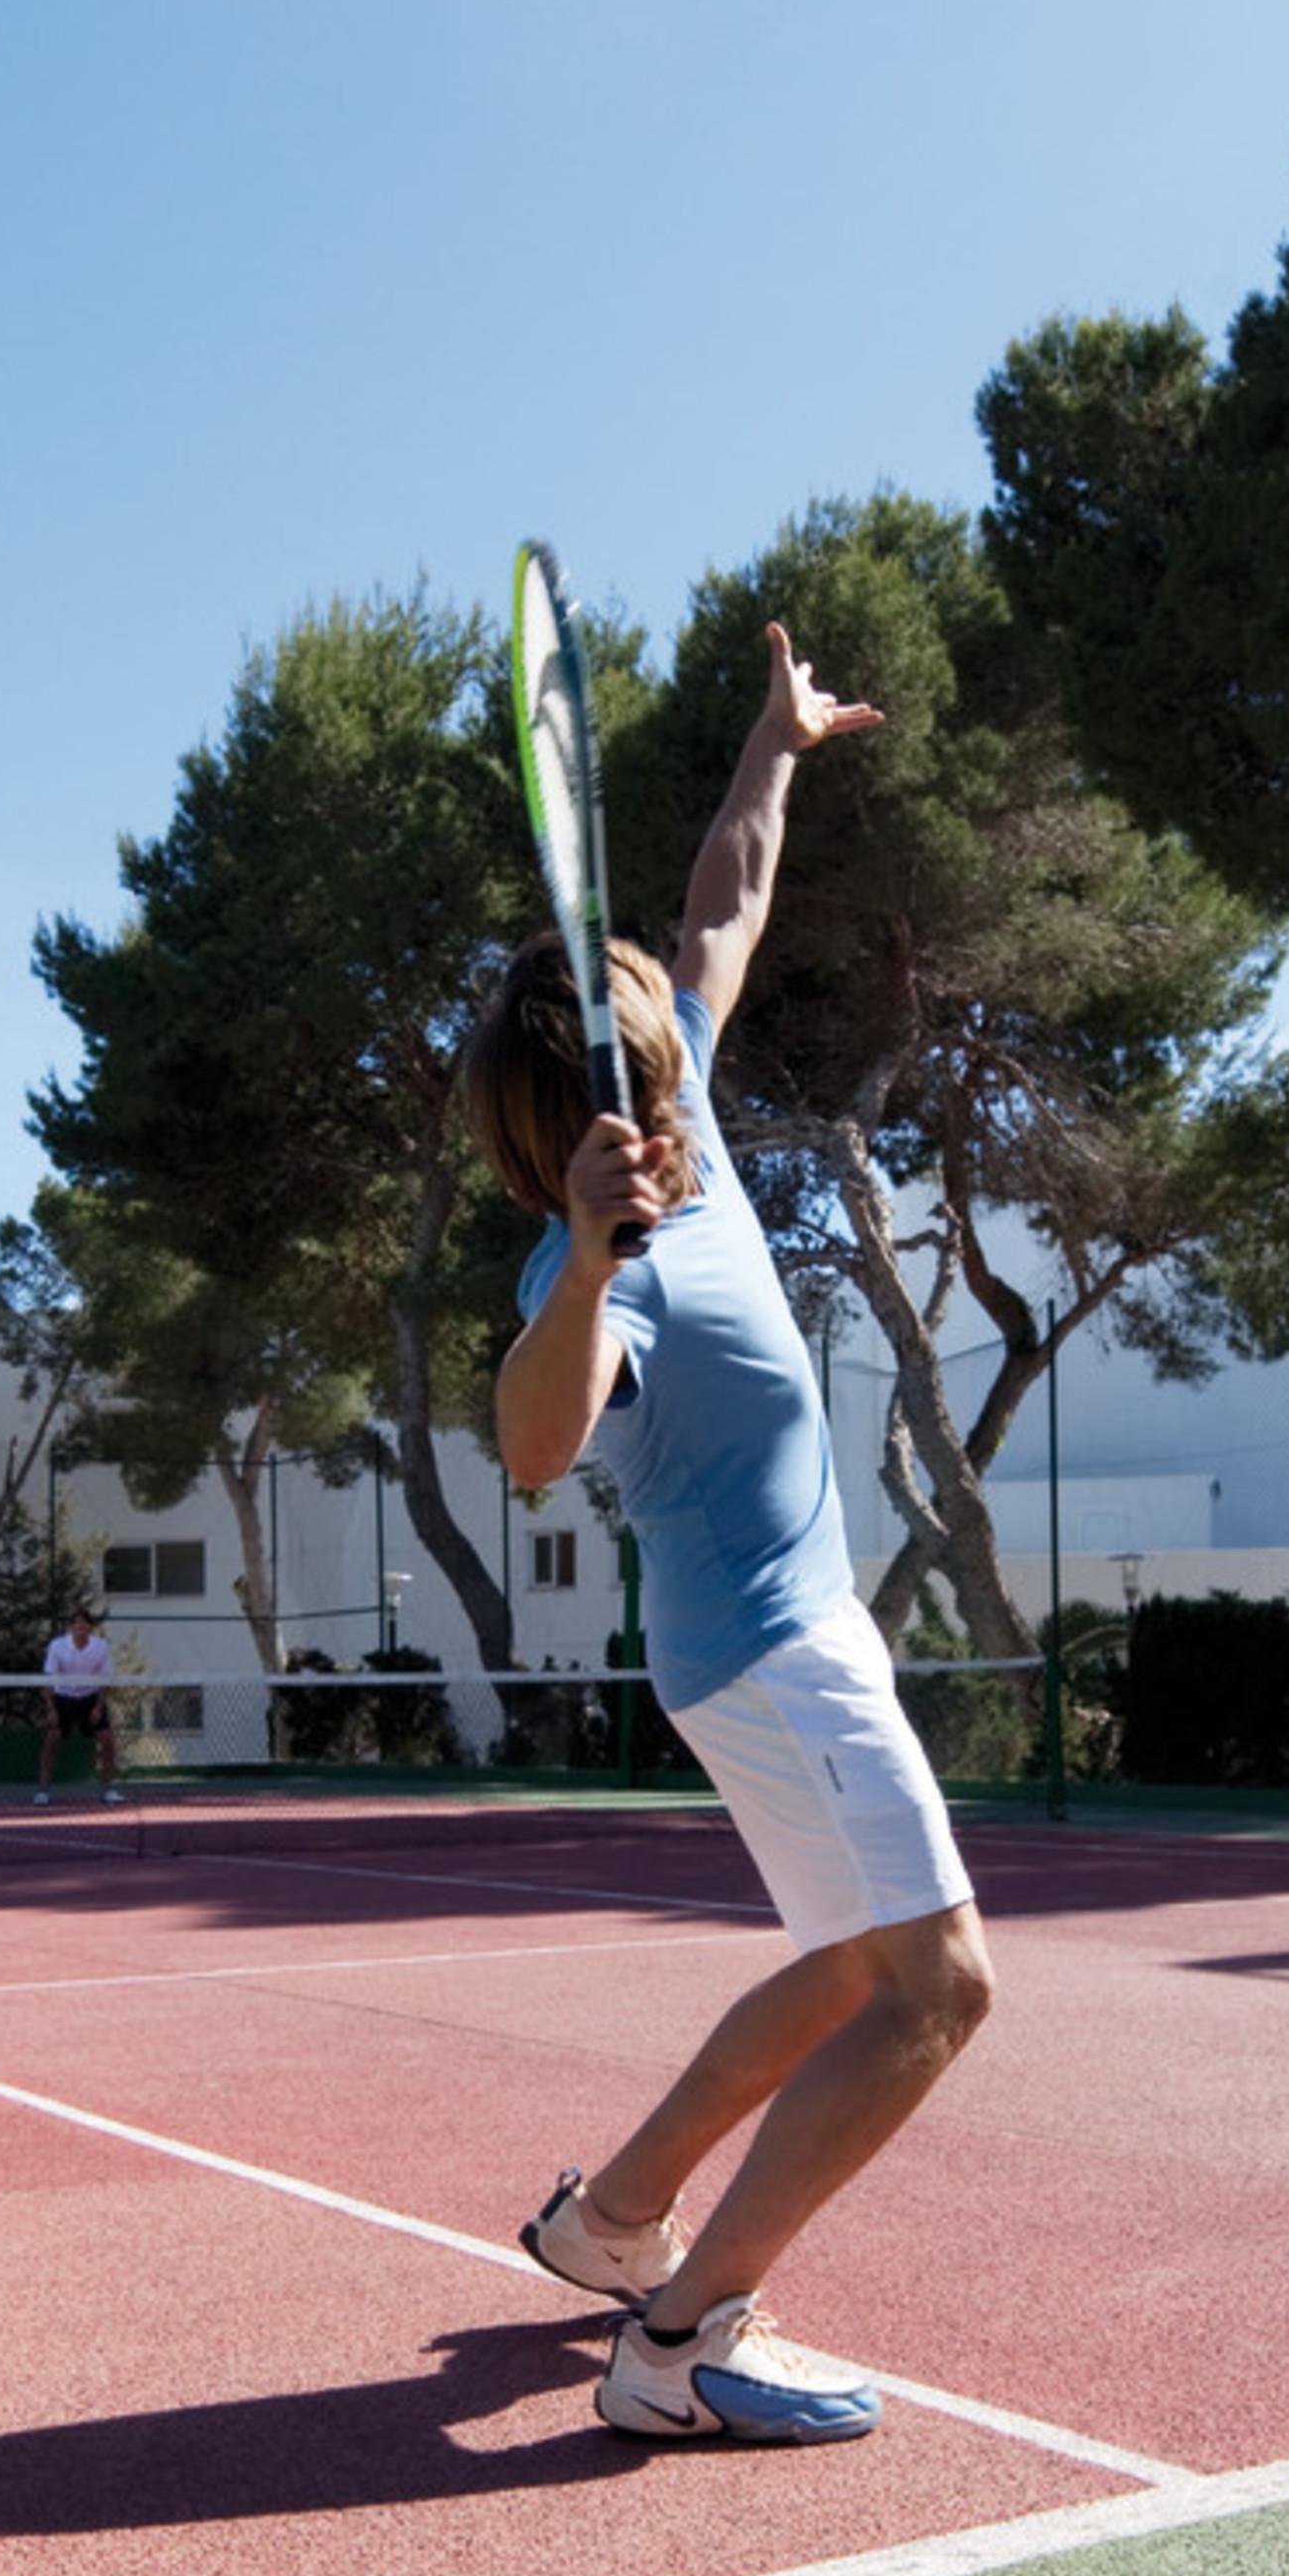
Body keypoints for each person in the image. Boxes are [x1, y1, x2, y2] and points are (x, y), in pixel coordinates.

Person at [457, 621, 994, 2448]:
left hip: (763, 1633)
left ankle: (609, 2217)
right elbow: (533, 1450)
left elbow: (721, 912)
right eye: (654, 1069)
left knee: (848, 1962)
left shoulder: (673, 1080)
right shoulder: (597, 1274)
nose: (687, 1062)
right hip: (772, 1650)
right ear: (580, 1127)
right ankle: (682, 2338)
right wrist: (590, 1264)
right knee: (942, 1985)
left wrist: (775, 743)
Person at [37, 1600, 124, 1804]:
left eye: (84, 1624)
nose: (80, 1628)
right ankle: (43, 1790)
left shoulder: (100, 1647)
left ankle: (108, 1789)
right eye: (76, 1624)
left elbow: (105, 1680)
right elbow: (48, 1681)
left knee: (107, 1739)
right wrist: (51, 1709)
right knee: (51, 1739)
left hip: (90, 1698)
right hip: (63, 1698)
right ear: (71, 1627)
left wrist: (98, 1707)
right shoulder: (57, 1646)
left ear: (90, 1627)